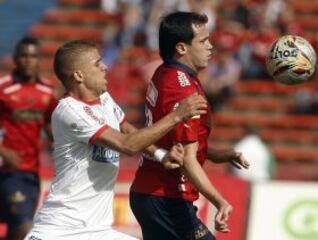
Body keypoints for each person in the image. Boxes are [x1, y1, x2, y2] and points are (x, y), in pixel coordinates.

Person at [24, 40, 207, 240]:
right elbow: (126, 145)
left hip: (97, 231)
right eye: (97, 63)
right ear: (79, 75)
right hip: (60, 231)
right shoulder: (70, 110)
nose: (105, 67)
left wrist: (160, 154)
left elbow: (126, 129)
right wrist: (177, 116)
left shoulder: (104, 99)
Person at [130, 11, 250, 240]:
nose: (211, 47)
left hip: (157, 194)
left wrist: (213, 154)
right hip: (165, 195)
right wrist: (220, 201)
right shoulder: (182, 87)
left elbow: (175, 139)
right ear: (182, 48)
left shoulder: (168, 72)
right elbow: (187, 159)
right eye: (203, 41)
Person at [0, 36, 57, 240]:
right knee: (24, 227)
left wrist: (58, 147)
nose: (28, 60)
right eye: (23, 56)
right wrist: (4, 151)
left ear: (39, 60)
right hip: (7, 170)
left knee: (15, 230)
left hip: (31, 173)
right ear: (15, 59)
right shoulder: (3, 88)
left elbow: (50, 123)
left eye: (32, 56)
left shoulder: (48, 91)